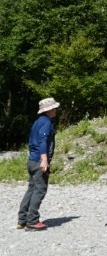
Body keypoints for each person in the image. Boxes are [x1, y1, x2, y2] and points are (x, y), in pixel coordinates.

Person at [17, 97, 60, 231]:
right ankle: (32, 221)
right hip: (39, 161)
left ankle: (22, 220)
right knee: (40, 189)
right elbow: (42, 141)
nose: (56, 110)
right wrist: (44, 160)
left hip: (32, 160)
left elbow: (32, 141)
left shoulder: (37, 122)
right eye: (54, 108)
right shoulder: (46, 123)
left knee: (31, 189)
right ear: (49, 110)